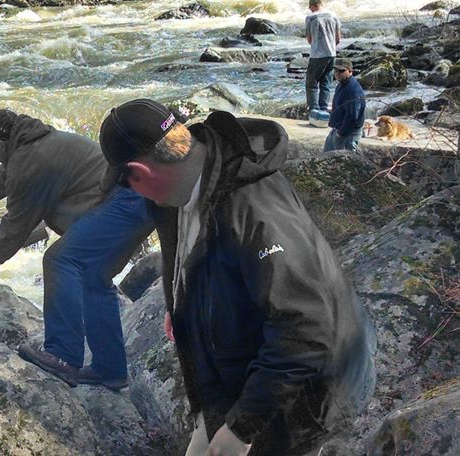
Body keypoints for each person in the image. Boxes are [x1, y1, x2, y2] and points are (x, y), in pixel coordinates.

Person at [99, 99, 376, 455]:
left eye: (125, 184)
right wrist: (180, 303)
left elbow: (306, 329)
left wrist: (242, 429)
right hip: (235, 377)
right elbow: (189, 252)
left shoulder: (254, 213)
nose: (130, 193)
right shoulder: (180, 187)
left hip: (305, 394)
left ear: (141, 171)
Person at [0, 109, 154, 390]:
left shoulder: (31, 161)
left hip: (122, 202)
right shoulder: (33, 146)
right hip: (137, 199)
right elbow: (2, 178)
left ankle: (63, 356)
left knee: (59, 260)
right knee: (94, 280)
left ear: (1, 143)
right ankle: (110, 370)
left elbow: (16, 227)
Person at [324, 58, 366, 152]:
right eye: (335, 70)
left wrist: (341, 133)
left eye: (341, 71)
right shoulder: (341, 84)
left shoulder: (353, 90)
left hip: (348, 134)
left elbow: (352, 116)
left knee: (342, 162)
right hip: (337, 129)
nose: (337, 73)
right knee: (326, 157)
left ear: (350, 71)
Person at [305, 0, 341, 112]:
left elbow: (309, 39)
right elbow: (338, 39)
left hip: (317, 55)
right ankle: (324, 109)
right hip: (331, 54)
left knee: (312, 84)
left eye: (310, 7)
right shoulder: (333, 16)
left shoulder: (310, 18)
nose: (310, 9)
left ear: (314, 5)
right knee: (325, 83)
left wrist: (318, 46)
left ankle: (314, 110)